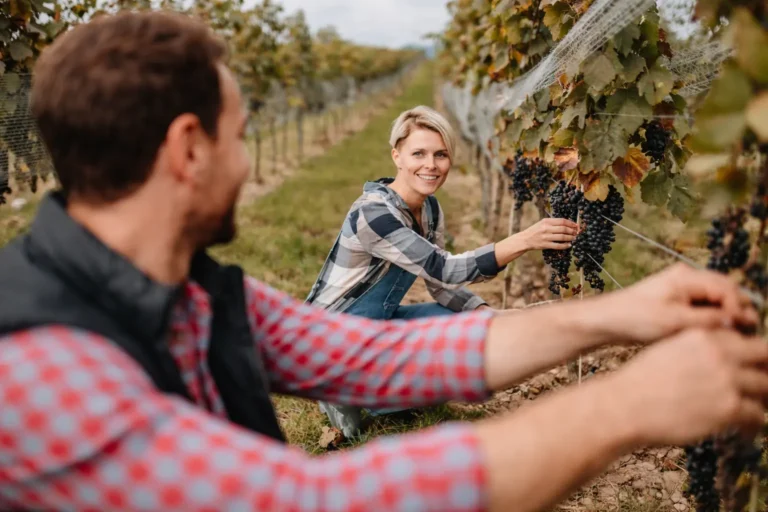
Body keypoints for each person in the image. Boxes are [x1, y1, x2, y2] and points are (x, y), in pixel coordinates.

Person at [0, 11, 766, 512]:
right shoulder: (44, 373)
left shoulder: (188, 289)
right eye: (240, 134)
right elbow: (312, 501)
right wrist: (627, 407)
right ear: (189, 149)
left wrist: (617, 314)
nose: (244, 157)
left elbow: (374, 351)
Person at [306, 105, 579, 434]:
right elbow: (444, 268)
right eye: (418, 153)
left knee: (471, 333)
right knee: (447, 364)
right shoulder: (373, 215)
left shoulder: (429, 208)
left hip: (375, 323)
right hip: (333, 337)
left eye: (441, 155)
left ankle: (376, 384)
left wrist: (484, 313)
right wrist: (523, 240)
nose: (431, 165)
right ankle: (341, 387)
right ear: (397, 157)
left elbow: (438, 284)